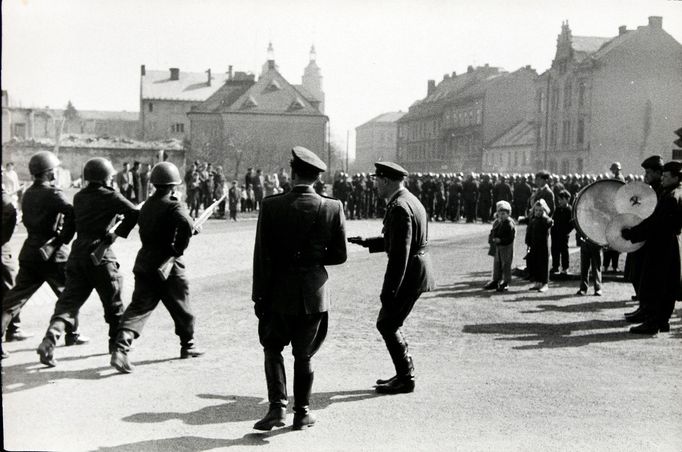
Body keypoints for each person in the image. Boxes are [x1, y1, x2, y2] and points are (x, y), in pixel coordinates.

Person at [251, 146, 347, 431]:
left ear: (292, 174)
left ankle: (277, 408)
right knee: (304, 355)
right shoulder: (333, 207)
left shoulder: (271, 205)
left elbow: (261, 257)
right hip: (314, 293)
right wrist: (315, 260)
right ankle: (302, 413)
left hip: (278, 292)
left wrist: (259, 296)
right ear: (317, 178)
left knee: (272, 348)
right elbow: (339, 255)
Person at [36, 157, 139, 367]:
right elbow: (134, 212)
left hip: (77, 255)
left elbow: (74, 225)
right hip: (101, 256)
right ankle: (117, 350)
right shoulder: (111, 196)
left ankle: (50, 339)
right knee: (114, 304)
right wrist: (115, 234)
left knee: (68, 303)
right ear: (104, 177)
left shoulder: (80, 196)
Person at [109, 162, 203, 373]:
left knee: (138, 308)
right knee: (182, 306)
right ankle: (188, 345)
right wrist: (179, 248)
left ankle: (121, 349)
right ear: (173, 186)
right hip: (168, 264)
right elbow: (187, 226)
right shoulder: (174, 205)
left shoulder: (146, 205)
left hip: (145, 262)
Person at [353, 161, 435, 394]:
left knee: (387, 323)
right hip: (417, 268)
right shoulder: (409, 199)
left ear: (386, 180)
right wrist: (369, 242)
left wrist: (388, 291)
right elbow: (401, 241)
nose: (375, 184)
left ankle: (406, 378)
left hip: (410, 272)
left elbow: (400, 254)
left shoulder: (399, 206)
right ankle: (403, 373)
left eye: (377, 180)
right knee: (390, 323)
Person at [1, 151, 88, 359]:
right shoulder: (54, 193)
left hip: (30, 251)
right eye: (54, 170)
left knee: (15, 300)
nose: (55, 173)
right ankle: (71, 333)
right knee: (69, 295)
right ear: (48, 172)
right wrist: (61, 239)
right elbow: (72, 216)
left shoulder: (28, 193)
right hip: (53, 255)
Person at [622, 160, 682, 334]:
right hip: (672, 243)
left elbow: (654, 223)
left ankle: (652, 324)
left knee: (654, 283)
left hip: (661, 245)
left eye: (665, 176)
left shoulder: (670, 197)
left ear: (675, 177)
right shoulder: (675, 192)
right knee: (667, 283)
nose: (662, 179)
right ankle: (663, 322)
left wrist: (631, 234)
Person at [624, 155, 664, 323]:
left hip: (648, 240)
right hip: (641, 237)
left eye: (648, 172)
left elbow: (650, 218)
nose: (645, 175)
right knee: (636, 274)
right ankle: (643, 307)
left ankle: (647, 309)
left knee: (645, 276)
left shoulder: (659, 191)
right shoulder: (649, 188)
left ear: (658, 172)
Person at [2, 188, 31, 354]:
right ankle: (14, 329)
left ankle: (14, 328)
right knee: (11, 292)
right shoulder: (5, 201)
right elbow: (8, 230)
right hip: (2, 252)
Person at [483, 201, 516, 292]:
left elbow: (510, 238)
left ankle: (506, 282)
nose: (501, 216)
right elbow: (493, 231)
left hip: (506, 247)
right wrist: (492, 240)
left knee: (506, 265)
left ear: (508, 213)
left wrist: (501, 240)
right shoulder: (498, 222)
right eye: (499, 213)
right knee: (497, 264)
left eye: (503, 214)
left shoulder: (509, 224)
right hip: (498, 247)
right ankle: (496, 280)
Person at [525, 199, 553, 292]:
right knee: (535, 264)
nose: (538, 212)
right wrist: (528, 243)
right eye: (536, 210)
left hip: (543, 247)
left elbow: (550, 222)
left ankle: (544, 283)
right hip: (533, 245)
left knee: (543, 265)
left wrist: (546, 216)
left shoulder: (545, 220)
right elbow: (529, 232)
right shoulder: (533, 220)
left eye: (540, 210)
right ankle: (537, 282)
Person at [550, 190, 574, 275]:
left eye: (561, 199)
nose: (559, 201)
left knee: (564, 251)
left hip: (563, 234)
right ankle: (555, 266)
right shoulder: (558, 209)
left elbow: (572, 224)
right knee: (555, 250)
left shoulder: (570, 210)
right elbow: (554, 219)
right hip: (555, 233)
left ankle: (565, 268)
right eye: (559, 199)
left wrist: (566, 231)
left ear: (567, 199)